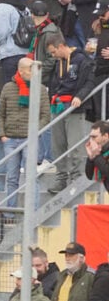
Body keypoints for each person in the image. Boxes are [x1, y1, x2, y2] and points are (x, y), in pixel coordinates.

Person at [45, 38, 95, 194]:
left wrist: (80, 96)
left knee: (74, 145)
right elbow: (54, 84)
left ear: (61, 46)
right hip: (57, 105)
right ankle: (61, 178)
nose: (53, 55)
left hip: (74, 107)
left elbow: (89, 81)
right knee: (58, 145)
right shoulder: (58, 63)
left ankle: (76, 177)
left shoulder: (81, 59)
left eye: (54, 51)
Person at [0, 57, 49, 207]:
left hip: (30, 139)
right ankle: (10, 213)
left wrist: (34, 132)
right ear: (21, 71)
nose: (33, 72)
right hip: (10, 139)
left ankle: (33, 213)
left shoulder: (39, 88)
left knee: (31, 177)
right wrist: (2, 135)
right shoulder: (7, 87)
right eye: (30, 69)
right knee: (12, 178)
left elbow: (46, 115)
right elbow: (0, 113)